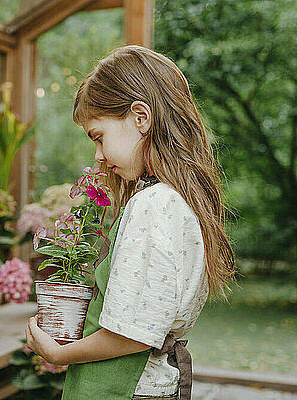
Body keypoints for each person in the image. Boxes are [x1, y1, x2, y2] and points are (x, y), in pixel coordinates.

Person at [24, 45, 236, 400]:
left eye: (98, 136)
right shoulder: (176, 199)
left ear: (141, 116)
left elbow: (133, 334)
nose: (98, 155)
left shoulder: (153, 204)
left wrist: (59, 354)